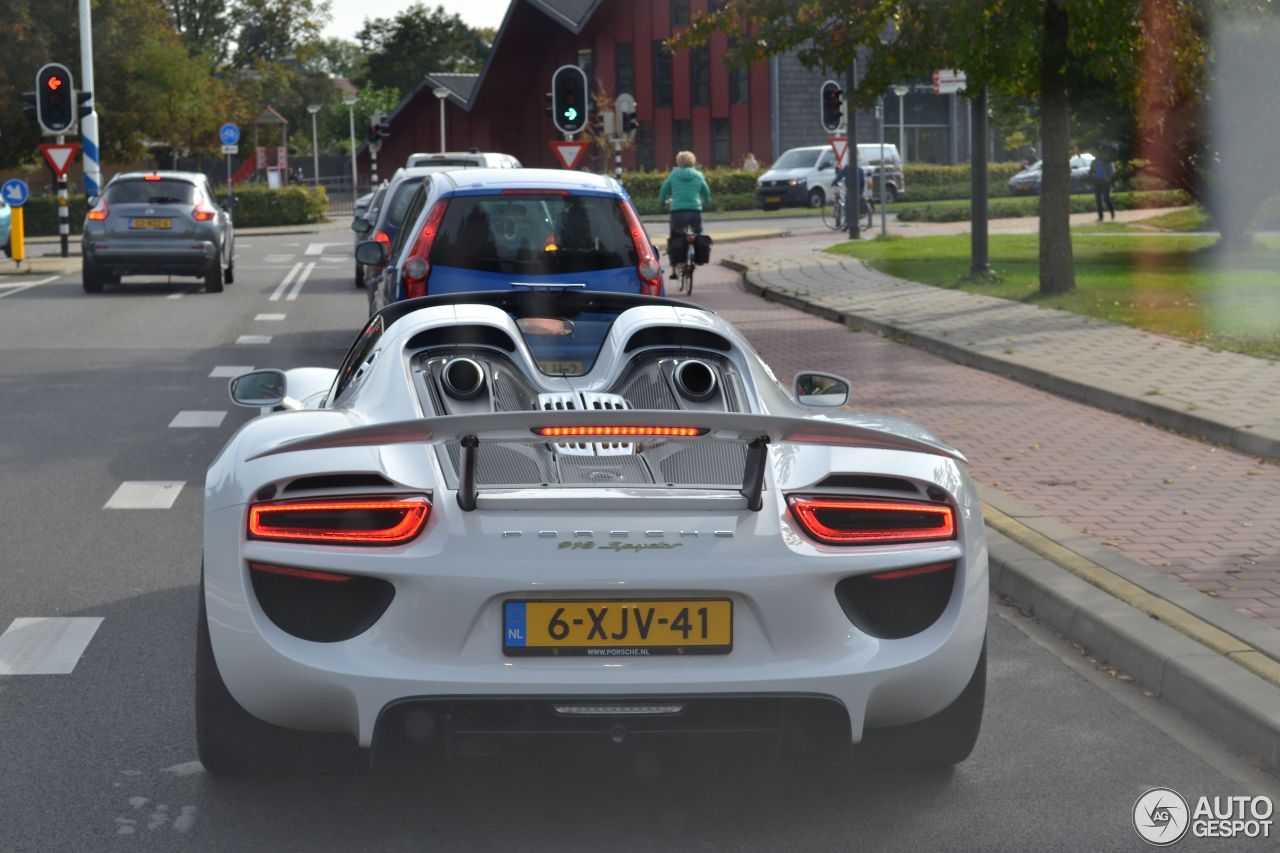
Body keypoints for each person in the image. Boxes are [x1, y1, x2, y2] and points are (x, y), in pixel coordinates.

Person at [658, 150, 712, 278]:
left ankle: (673, 271)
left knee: (675, 238)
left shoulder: (673, 175)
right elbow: (706, 191)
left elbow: (663, 190)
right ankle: (697, 257)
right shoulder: (698, 175)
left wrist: (661, 203)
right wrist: (706, 201)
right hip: (695, 211)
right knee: (698, 235)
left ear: (678, 162)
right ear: (693, 161)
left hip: (677, 211)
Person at [1091, 156, 1115, 221]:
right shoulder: (1094, 162)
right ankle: (1100, 217)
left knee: (1106, 197)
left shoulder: (1107, 161)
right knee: (1098, 199)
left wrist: (1110, 179)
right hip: (1097, 181)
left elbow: (1111, 171)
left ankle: (1112, 211)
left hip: (1105, 182)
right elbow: (1092, 171)